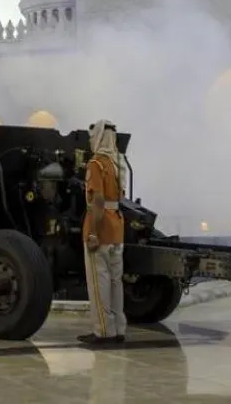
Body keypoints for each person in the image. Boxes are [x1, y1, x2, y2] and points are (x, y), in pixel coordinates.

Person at [79, 119, 126, 345]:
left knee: (100, 283)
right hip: (117, 228)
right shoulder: (118, 164)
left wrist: (93, 232)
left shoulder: (96, 164)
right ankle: (118, 329)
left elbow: (97, 200)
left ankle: (103, 331)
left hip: (102, 228)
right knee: (116, 282)